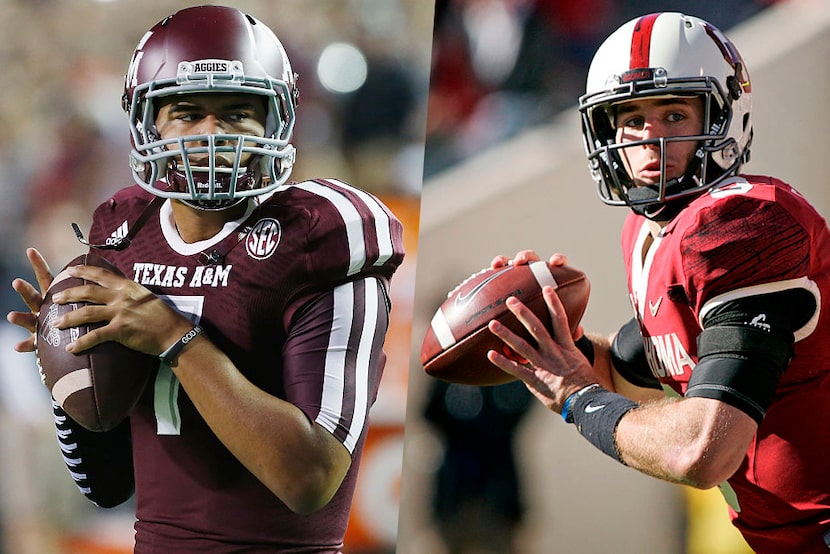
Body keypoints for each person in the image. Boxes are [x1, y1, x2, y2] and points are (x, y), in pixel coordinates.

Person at [6, 5, 405, 552]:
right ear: (148, 122)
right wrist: (71, 363)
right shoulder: (123, 232)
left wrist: (173, 339)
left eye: (237, 112)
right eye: (188, 112)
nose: (211, 133)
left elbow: (309, 478)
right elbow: (108, 485)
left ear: (277, 120)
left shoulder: (316, 237)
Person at [484, 12, 830, 553]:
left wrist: (577, 397)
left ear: (722, 115)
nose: (650, 140)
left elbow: (702, 451)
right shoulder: (653, 236)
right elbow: (624, 379)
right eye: (631, 118)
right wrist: (549, 338)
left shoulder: (741, 226)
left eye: (673, 113)